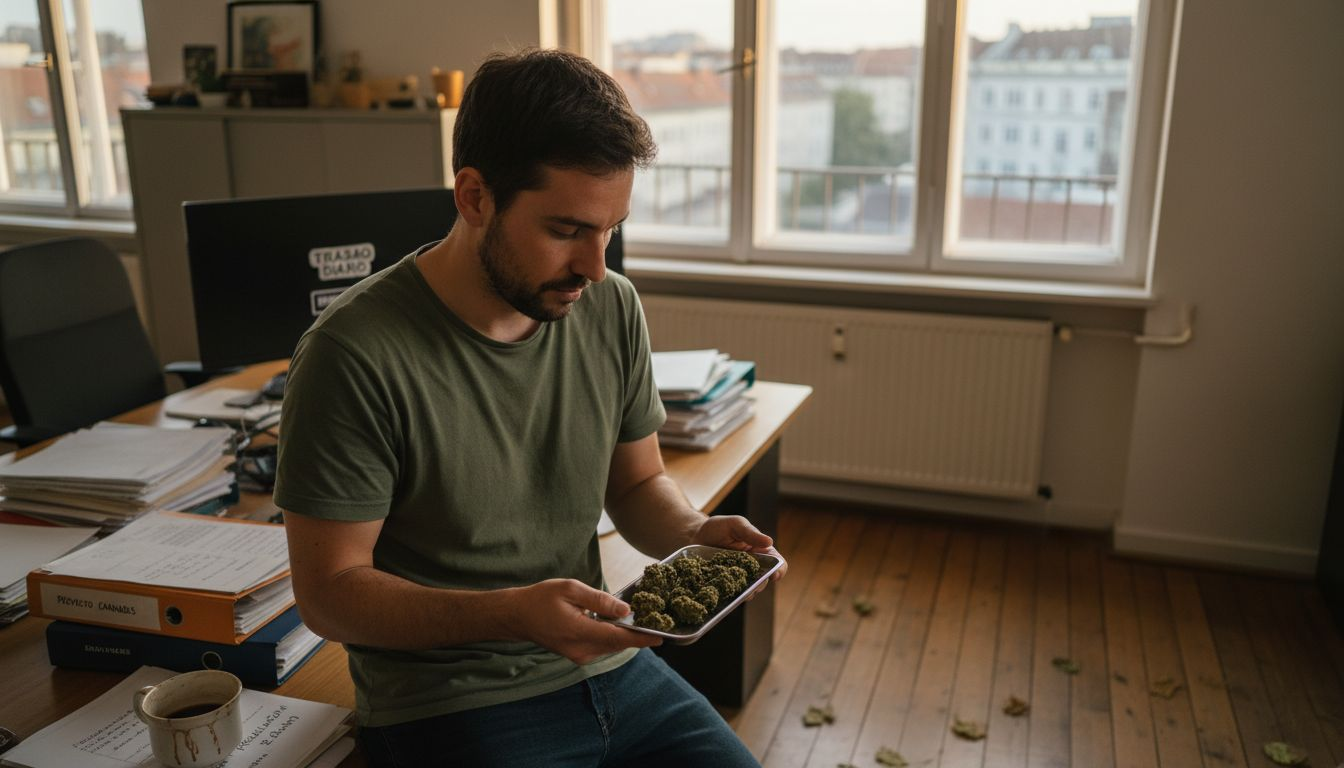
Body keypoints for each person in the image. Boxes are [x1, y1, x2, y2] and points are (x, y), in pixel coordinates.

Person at [274, 48, 785, 767]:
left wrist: (698, 531)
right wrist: (511, 616)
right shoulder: (351, 353)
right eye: (566, 230)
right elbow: (329, 595)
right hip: (451, 698)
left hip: (609, 665)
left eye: (611, 229)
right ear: (475, 196)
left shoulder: (610, 306)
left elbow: (637, 486)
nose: (595, 266)